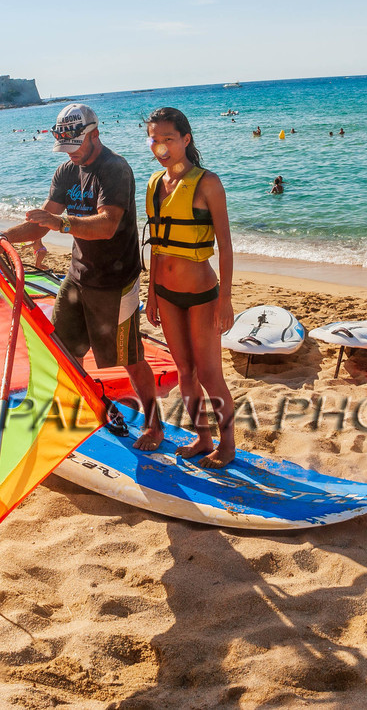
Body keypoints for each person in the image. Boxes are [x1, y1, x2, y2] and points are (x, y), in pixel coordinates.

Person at [0, 104, 162, 451]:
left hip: (116, 282)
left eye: (76, 146)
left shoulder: (114, 169)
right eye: (65, 148)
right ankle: (76, 408)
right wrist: (1, 238)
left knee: (129, 357)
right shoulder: (66, 171)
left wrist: (60, 224)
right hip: (78, 277)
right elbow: (41, 221)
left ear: (94, 134)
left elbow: (107, 225)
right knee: (61, 349)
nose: (71, 155)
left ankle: (154, 423)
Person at [143, 107, 237, 468]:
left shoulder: (207, 182)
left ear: (186, 139)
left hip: (201, 295)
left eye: (168, 138)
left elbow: (226, 244)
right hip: (166, 294)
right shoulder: (154, 183)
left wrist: (225, 299)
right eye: (155, 139)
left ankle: (227, 445)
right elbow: (156, 244)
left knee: (210, 374)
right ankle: (203, 437)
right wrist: (152, 292)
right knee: (184, 372)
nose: (161, 146)